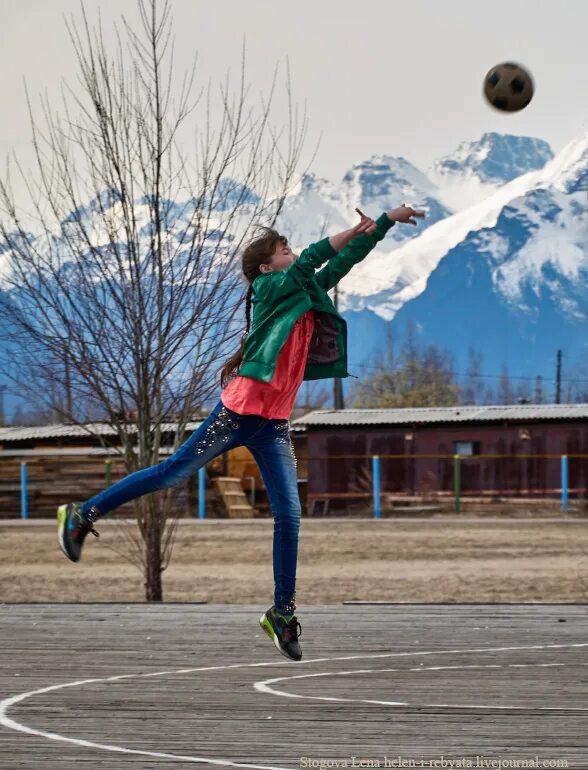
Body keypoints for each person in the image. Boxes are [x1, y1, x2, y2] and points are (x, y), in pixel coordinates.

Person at [57, 202, 425, 661]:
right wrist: (351, 230)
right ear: (266, 266)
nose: (294, 254)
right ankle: (82, 514)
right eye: (285, 249)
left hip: (272, 424)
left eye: (291, 248)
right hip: (238, 413)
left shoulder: (302, 290)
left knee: (289, 517)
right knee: (172, 472)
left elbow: (341, 262)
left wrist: (385, 222)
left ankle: (282, 615)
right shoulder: (270, 288)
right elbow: (314, 257)